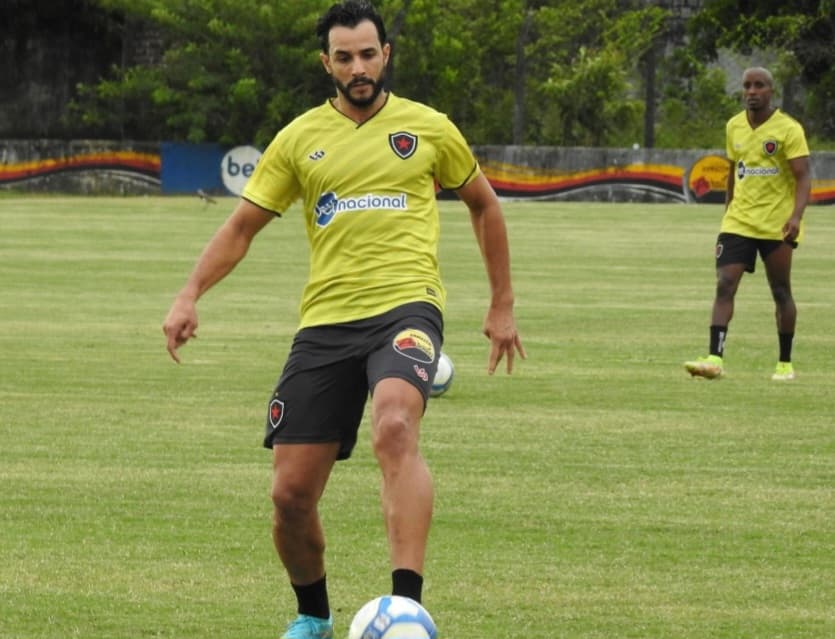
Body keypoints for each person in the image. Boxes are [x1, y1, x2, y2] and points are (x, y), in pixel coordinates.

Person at [162, 2, 525, 638]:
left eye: (368, 54)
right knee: (289, 497)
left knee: (393, 424)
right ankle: (313, 616)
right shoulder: (299, 138)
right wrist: (190, 292)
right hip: (326, 323)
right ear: (325, 63)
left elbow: (484, 206)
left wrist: (501, 306)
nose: (358, 67)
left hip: (407, 307)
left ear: (387, 54)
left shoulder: (429, 128)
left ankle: (406, 607)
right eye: (344, 57)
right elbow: (242, 226)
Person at [684, 66, 811, 381]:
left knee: (781, 291)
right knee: (725, 284)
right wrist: (729, 210)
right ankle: (715, 358)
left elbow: (804, 176)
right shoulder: (734, 126)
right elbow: (733, 170)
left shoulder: (788, 129)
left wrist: (796, 216)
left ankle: (784, 363)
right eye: (747, 86)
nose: (752, 92)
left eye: (759, 86)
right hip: (739, 222)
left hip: (776, 224)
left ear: (771, 91)